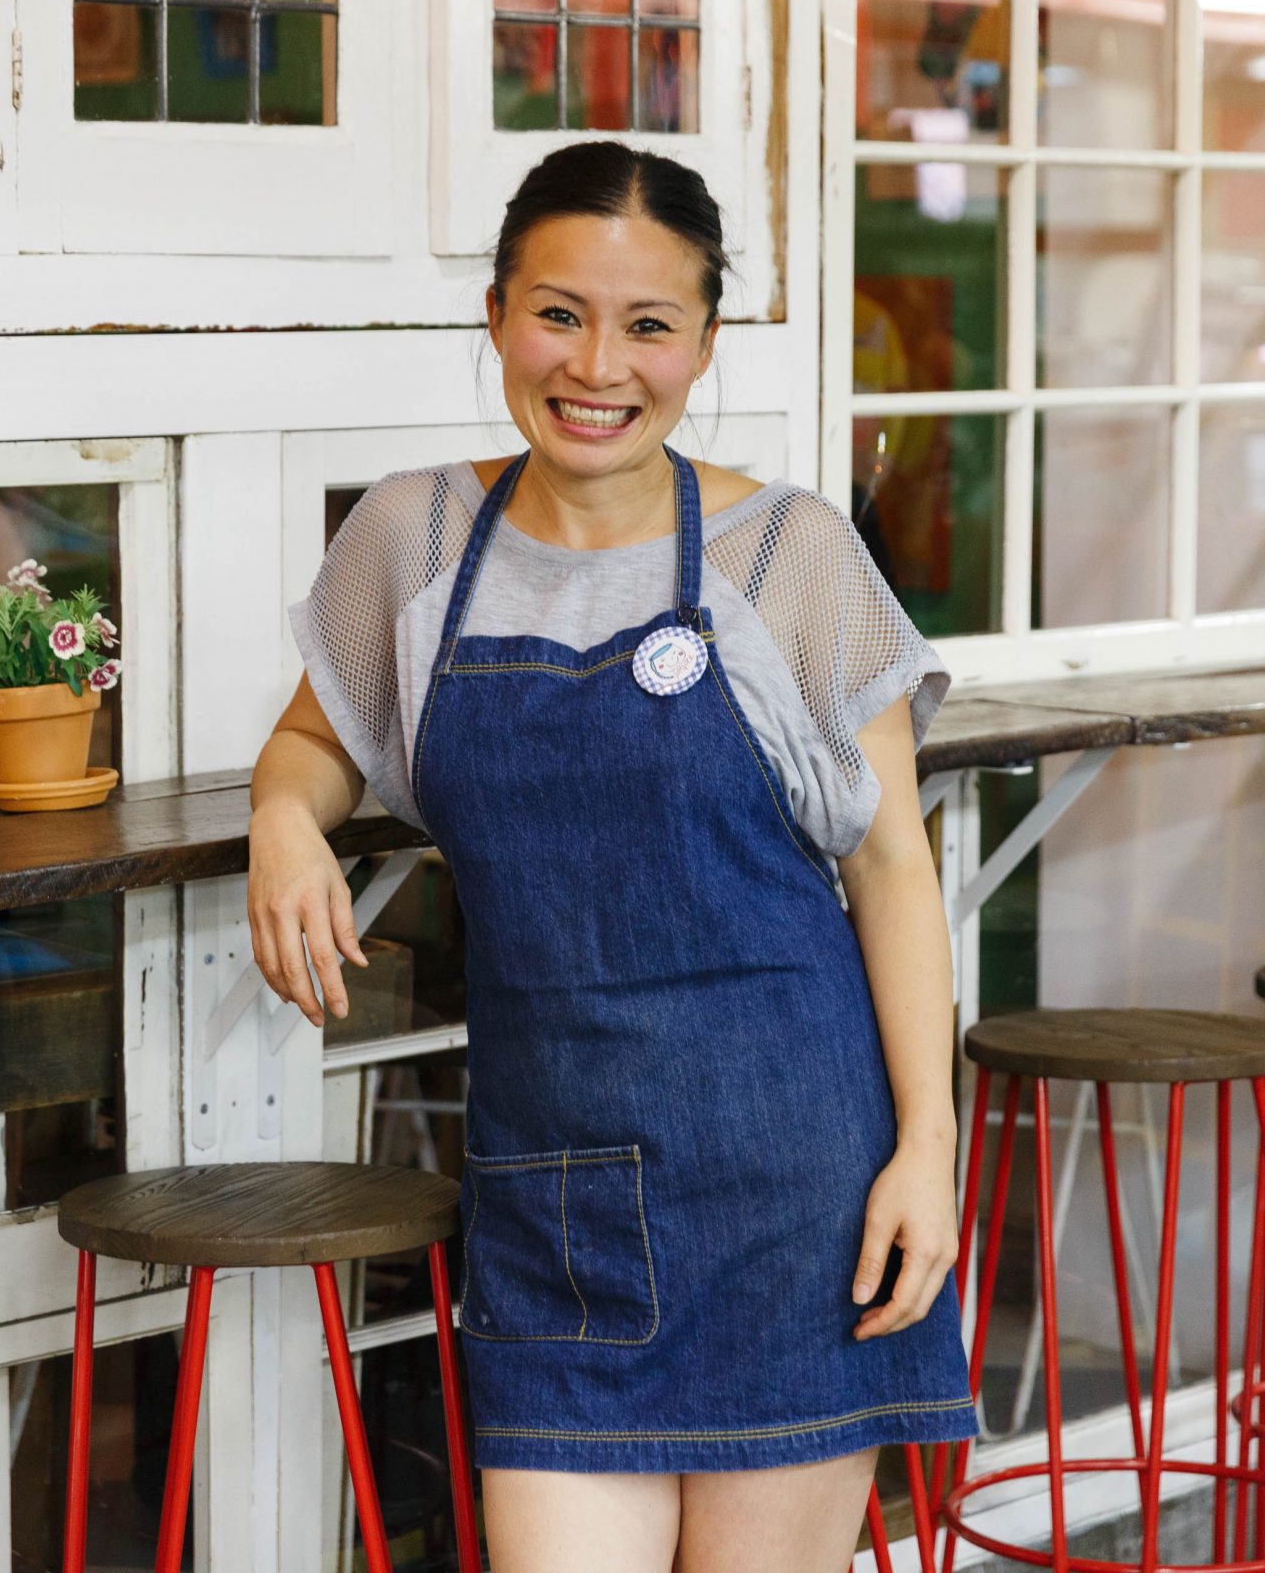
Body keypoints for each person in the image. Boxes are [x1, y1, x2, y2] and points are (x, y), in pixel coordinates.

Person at [249, 141, 975, 1573]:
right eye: (559, 312)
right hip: (557, 1184)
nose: (599, 364)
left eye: (649, 324)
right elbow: (313, 746)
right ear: (498, 314)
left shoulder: (790, 555)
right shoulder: (412, 537)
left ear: (706, 341)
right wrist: (285, 823)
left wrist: (929, 1146)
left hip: (795, 1185)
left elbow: (894, 872)